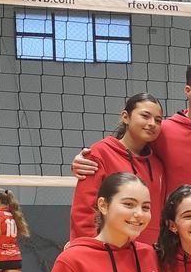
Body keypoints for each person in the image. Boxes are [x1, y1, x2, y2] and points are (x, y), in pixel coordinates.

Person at [72, 61, 191, 230]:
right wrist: (88, 158)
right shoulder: (163, 131)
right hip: (173, 239)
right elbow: (128, 150)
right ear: (188, 90)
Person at [70, 93, 166, 246]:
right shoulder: (99, 153)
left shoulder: (157, 165)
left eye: (158, 120)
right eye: (145, 116)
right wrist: (89, 249)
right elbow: (83, 211)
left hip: (147, 253)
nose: (152, 123)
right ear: (125, 117)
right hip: (107, 252)